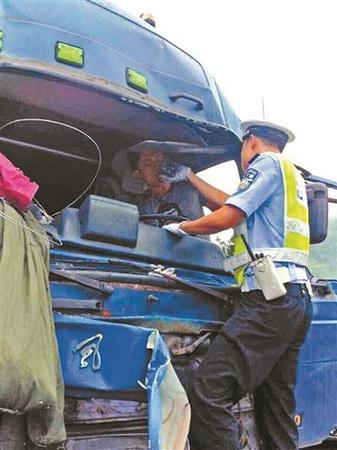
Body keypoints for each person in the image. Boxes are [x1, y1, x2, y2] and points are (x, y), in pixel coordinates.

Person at [163, 120, 313, 450]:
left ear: (252, 143)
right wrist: (189, 177)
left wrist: (184, 227)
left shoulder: (266, 164)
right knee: (277, 404)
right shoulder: (289, 175)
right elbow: (231, 203)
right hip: (293, 300)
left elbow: (229, 214)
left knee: (208, 392)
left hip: (269, 301)